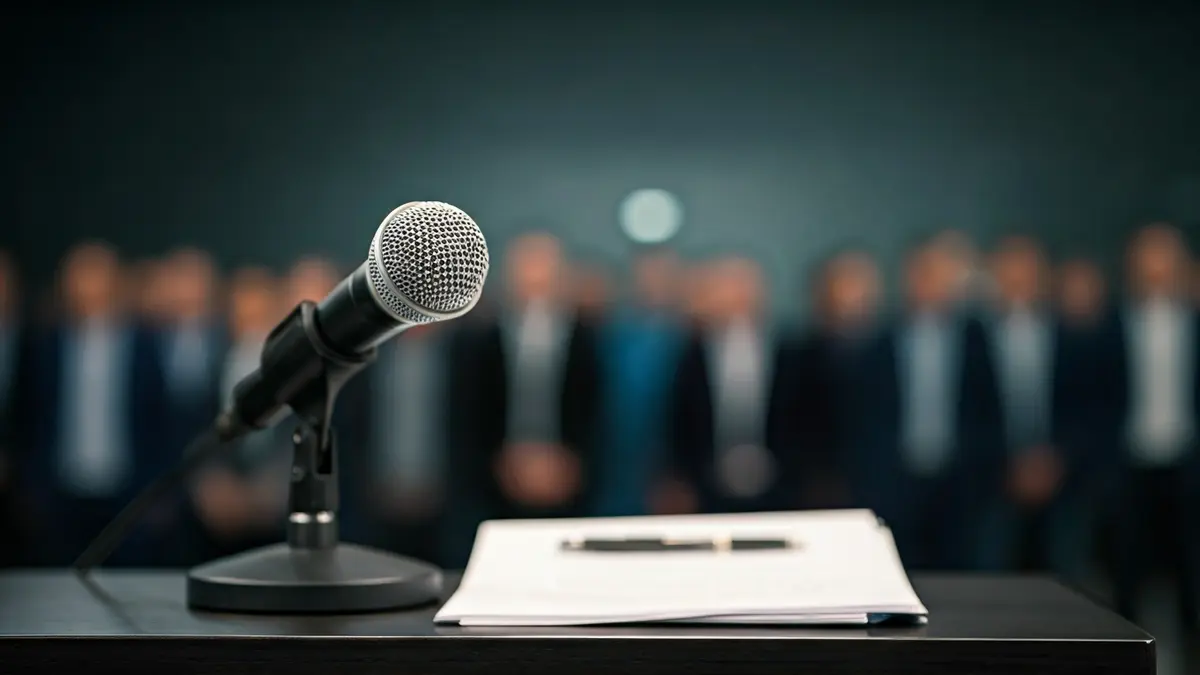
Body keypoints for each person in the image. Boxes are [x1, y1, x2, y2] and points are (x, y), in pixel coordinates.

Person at [853, 238, 1003, 570]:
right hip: (896, 478)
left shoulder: (976, 337)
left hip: (960, 476)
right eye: (922, 273)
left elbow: (990, 409)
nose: (931, 283)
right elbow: (862, 415)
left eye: (940, 274)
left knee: (962, 569)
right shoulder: (877, 336)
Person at [20, 242, 168, 566]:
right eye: (79, 273)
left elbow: (160, 421)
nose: (88, 283)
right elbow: (28, 417)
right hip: (60, 493)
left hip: (127, 493)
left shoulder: (145, 344)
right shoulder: (45, 344)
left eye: (97, 273)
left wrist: (156, 492)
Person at [462, 233, 602, 524]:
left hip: (570, 481)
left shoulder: (589, 338)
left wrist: (567, 464)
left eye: (544, 268)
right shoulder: (482, 339)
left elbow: (597, 410)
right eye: (526, 268)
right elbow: (473, 411)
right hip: (499, 482)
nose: (535, 279)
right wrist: (505, 464)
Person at [1110, 223, 1199, 631]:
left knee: (1191, 573)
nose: (1155, 265)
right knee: (1126, 571)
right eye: (1147, 255)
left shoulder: (1193, 319)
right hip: (1128, 465)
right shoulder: (1110, 323)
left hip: (1186, 463)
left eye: (1164, 254)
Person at [666, 256, 787, 514]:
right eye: (729, 286)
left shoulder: (789, 352)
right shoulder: (691, 353)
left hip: (780, 487)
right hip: (706, 486)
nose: (737, 295)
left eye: (744, 285)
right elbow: (678, 422)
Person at [189, 268, 287, 561]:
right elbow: (196, 428)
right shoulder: (206, 360)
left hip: (277, 512)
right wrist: (210, 482)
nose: (249, 311)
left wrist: (273, 488)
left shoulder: (296, 366)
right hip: (217, 516)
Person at [772, 248, 881, 510]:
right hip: (810, 484)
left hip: (877, 481)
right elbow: (787, 423)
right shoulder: (796, 353)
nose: (850, 294)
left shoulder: (888, 349)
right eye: (842, 283)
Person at [594, 246, 685, 516]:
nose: (654, 283)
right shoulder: (610, 336)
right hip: (616, 461)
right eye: (647, 275)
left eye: (662, 275)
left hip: (671, 463)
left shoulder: (690, 338)